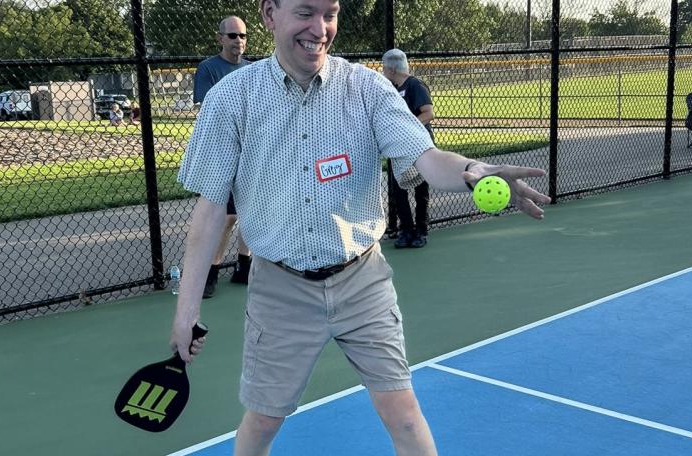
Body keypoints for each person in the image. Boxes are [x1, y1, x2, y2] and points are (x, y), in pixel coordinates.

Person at [171, 1, 551, 455]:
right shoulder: (232, 99)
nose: (320, 28)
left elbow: (427, 159)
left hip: (362, 279)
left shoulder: (368, 89)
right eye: (305, 12)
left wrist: (473, 169)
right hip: (281, 288)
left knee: (403, 410)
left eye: (329, 13)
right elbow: (210, 212)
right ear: (269, 15)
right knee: (264, 420)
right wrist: (185, 311)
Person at [193, 15, 253, 298]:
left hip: (253, 151)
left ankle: (244, 266)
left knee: (250, 211)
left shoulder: (253, 69)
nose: (238, 41)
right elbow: (210, 111)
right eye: (232, 36)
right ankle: (210, 272)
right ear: (220, 39)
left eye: (242, 36)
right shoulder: (209, 69)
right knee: (227, 216)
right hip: (223, 153)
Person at [382, 48, 433, 249]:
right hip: (399, 149)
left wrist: (407, 129)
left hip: (419, 147)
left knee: (421, 189)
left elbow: (428, 113)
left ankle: (421, 230)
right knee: (398, 190)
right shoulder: (392, 89)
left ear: (392, 68)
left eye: (384, 66)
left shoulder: (415, 85)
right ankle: (406, 229)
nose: (383, 70)